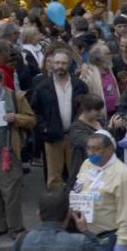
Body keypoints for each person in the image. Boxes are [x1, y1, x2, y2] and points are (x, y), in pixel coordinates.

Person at [30, 50, 89, 190]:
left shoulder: (80, 86)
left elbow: (86, 108)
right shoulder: (42, 87)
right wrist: (45, 128)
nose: (60, 66)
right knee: (54, 178)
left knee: (78, 175)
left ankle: (77, 207)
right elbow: (34, 112)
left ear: (69, 64)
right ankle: (56, 207)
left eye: (63, 63)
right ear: (51, 64)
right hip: (52, 137)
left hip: (74, 136)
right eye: (57, 62)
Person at [0, 67, 34, 239]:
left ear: (1, 81)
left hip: (6, 152)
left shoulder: (14, 97)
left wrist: (16, 118)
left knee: (11, 192)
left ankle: (16, 228)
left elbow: (31, 119)